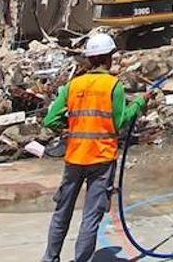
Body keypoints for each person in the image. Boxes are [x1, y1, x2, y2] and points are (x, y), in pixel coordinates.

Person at [40, 32, 146, 262]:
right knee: (91, 216)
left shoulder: (73, 85)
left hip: (75, 157)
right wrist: (138, 103)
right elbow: (120, 122)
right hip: (101, 158)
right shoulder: (113, 86)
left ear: (89, 58)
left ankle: (50, 258)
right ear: (108, 58)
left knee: (62, 212)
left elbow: (50, 121)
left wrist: (73, 127)